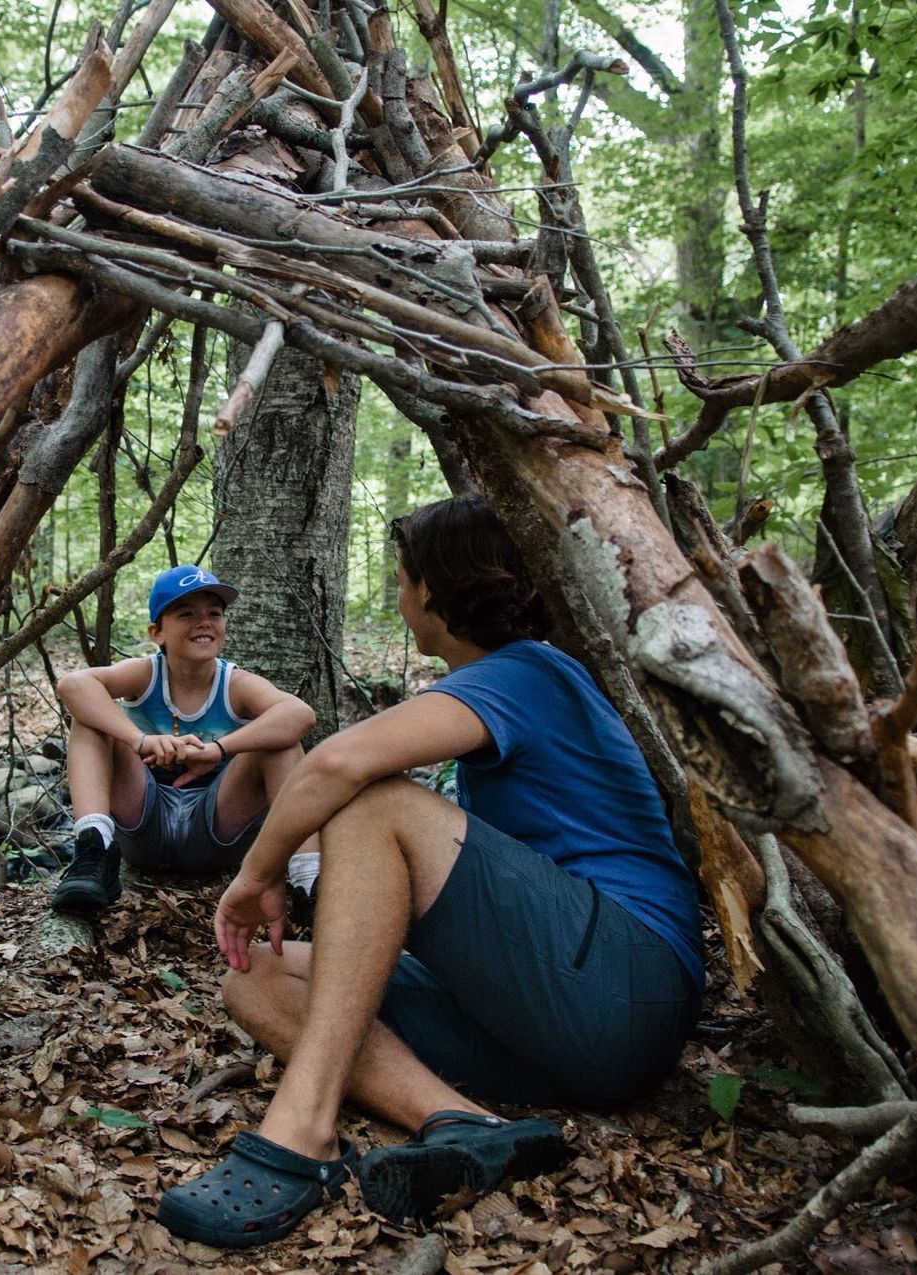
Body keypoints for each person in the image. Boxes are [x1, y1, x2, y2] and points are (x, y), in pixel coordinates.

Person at [155, 496, 703, 1248]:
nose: (399, 592)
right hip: (551, 1022)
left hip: (626, 984)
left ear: (438, 590)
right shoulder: (498, 685)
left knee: (372, 798)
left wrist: (255, 874)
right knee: (256, 977)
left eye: (405, 576)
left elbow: (335, 762)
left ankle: (302, 1128)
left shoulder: (529, 671)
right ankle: (466, 1123)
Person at [50, 564, 317, 916]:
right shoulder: (145, 674)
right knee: (90, 722)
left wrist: (218, 750)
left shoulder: (235, 683)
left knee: (279, 742)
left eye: (214, 613)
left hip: (215, 832)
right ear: (156, 632)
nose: (204, 622)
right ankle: (93, 850)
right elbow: (73, 685)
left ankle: (309, 882)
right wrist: (140, 740)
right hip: (144, 823)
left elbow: (300, 715)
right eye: (186, 614)